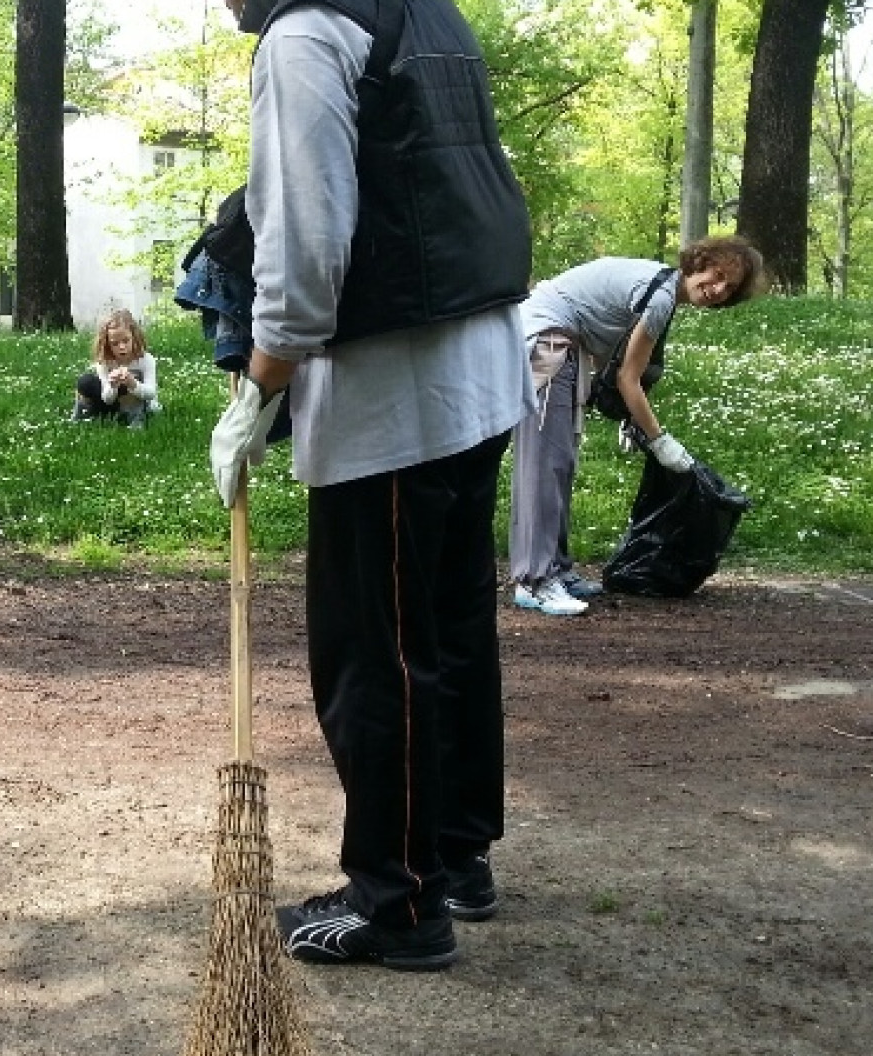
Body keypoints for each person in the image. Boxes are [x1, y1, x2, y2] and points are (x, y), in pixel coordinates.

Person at [209, 0, 535, 971]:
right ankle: (457, 858)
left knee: (376, 654)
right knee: (451, 631)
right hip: (482, 368)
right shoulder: (422, 12)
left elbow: (308, 242)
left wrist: (261, 387)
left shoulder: (307, 33)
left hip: (393, 395)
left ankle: (398, 902)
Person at [508, 239, 765, 616]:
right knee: (545, 466)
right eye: (718, 275)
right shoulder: (660, 297)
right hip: (546, 339)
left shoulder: (661, 290)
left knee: (560, 463)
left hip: (566, 344)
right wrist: (660, 441)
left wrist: (631, 418)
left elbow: (614, 354)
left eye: (729, 288)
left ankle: (556, 570)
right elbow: (629, 379)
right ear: (701, 262)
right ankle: (534, 580)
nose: (717, 289)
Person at [71, 309, 160, 428]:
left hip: (144, 403)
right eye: (115, 343)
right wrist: (112, 386)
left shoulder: (145, 360)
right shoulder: (104, 362)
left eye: (126, 341)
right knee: (85, 382)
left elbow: (151, 394)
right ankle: (83, 414)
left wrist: (133, 384)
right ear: (107, 344)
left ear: (134, 337)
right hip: (113, 402)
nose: (122, 347)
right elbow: (107, 399)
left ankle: (136, 418)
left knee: (136, 376)